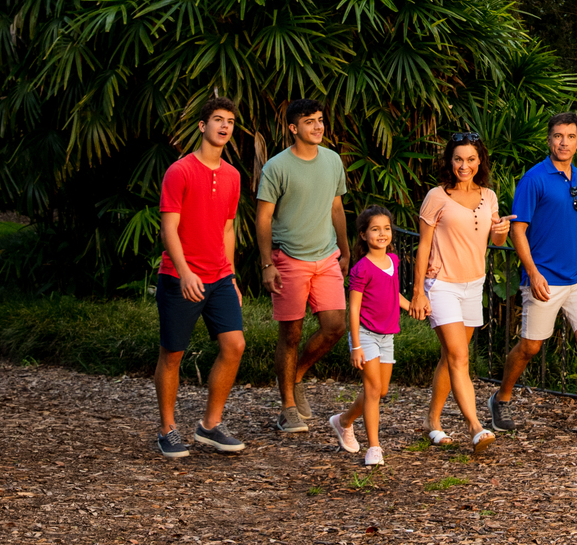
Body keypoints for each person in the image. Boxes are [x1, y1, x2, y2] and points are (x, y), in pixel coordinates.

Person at [488, 111, 577, 439]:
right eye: (558, 136)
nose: (564, 142)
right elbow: (519, 230)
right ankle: (501, 398)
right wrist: (532, 273)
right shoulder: (534, 179)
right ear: (549, 140)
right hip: (544, 277)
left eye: (571, 136)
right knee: (531, 347)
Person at [153, 96, 248, 460]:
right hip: (180, 277)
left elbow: (227, 229)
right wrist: (185, 272)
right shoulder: (180, 171)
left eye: (230, 122)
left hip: (220, 277)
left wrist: (232, 277)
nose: (224, 126)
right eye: (218, 120)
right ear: (202, 126)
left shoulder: (233, 176)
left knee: (234, 345)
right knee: (173, 354)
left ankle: (210, 425)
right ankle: (167, 429)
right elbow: (169, 229)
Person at [411, 132, 513, 450]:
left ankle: (432, 421)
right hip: (441, 284)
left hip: (474, 285)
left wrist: (502, 232)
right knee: (460, 356)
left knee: (450, 356)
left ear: (479, 160)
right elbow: (423, 245)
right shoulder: (436, 196)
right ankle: (475, 426)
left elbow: (496, 241)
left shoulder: (490, 196)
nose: (464, 165)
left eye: (470, 159)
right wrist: (418, 292)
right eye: (458, 158)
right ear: (449, 161)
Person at [255, 97, 351, 434]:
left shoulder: (332, 160)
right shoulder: (277, 167)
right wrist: (267, 263)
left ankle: (294, 376)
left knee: (336, 326)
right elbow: (263, 218)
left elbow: (336, 207)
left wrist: (345, 250)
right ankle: (287, 408)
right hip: (289, 258)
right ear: (293, 128)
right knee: (291, 334)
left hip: (325, 256)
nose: (318, 126)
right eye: (310, 121)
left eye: (321, 120)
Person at [328, 206, 411, 467]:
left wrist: (414, 306)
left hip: (387, 335)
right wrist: (355, 346)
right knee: (373, 389)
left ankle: (343, 421)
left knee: (381, 390)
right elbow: (353, 307)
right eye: (375, 229)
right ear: (363, 235)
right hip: (365, 333)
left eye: (386, 228)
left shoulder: (394, 262)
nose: (382, 233)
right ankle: (374, 447)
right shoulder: (361, 269)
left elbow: (393, 293)